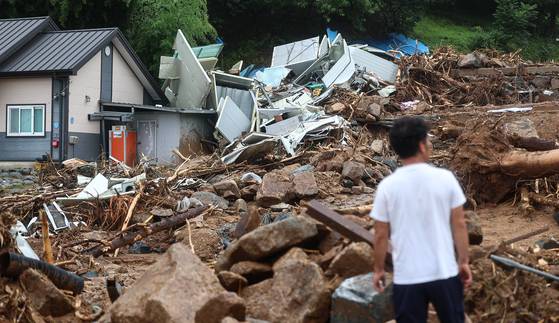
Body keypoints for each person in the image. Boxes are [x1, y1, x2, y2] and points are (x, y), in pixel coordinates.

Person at [370, 116, 472, 323]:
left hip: (407, 278)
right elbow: (459, 224)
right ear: (422, 146)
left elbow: (381, 235)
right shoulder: (445, 178)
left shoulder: (387, 187)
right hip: (444, 273)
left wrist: (379, 269)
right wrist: (463, 261)